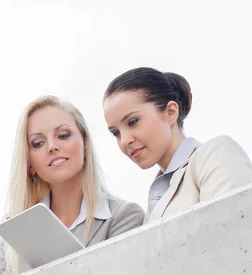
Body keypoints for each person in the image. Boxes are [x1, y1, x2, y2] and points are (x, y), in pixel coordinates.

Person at [0, 95, 144, 275]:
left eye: (63, 135)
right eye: (37, 143)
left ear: (84, 143)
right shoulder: (12, 226)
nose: (52, 147)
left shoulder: (124, 217)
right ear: (30, 164)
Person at [103, 67, 252, 223]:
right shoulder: (154, 203)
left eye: (133, 122)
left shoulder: (217, 155)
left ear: (171, 112)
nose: (124, 140)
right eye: (116, 133)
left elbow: (235, 231)